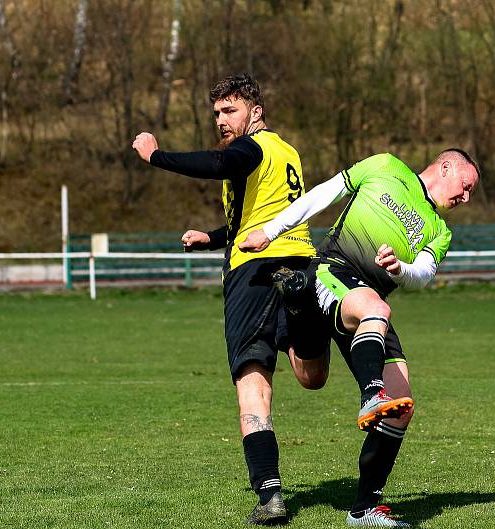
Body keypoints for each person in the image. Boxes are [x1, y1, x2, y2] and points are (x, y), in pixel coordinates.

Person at [239, 148, 481, 527]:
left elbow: (423, 272)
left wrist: (400, 269)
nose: (466, 198)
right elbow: (324, 193)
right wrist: (270, 232)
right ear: (446, 166)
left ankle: (365, 508)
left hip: (369, 307)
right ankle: (370, 393)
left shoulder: (440, 230)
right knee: (375, 312)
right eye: (466, 187)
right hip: (334, 270)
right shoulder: (384, 166)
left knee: (400, 406)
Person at [133, 73, 330, 525]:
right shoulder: (287, 152)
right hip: (299, 264)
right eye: (217, 113)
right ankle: (301, 311)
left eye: (231, 111)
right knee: (311, 376)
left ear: (255, 112)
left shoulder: (250, 148)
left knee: (252, 381)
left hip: (254, 273)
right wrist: (214, 237)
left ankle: (270, 495)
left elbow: (221, 164)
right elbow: (267, 215)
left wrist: (156, 156)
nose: (222, 120)